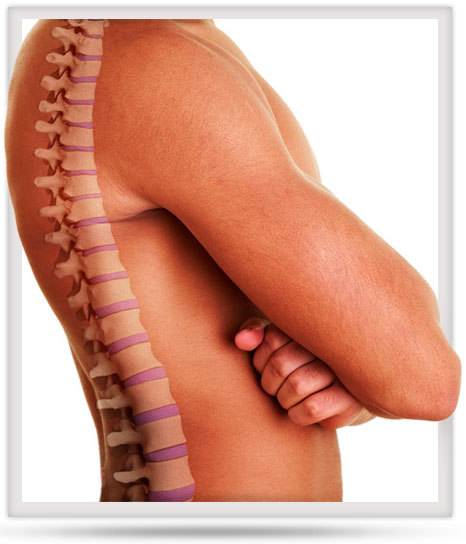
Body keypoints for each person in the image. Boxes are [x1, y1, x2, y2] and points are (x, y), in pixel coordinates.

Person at [5, 18, 461, 502]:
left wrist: (348, 382)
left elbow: (396, 370)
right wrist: (381, 374)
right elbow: (426, 380)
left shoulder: (140, 43)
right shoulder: (152, 61)